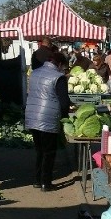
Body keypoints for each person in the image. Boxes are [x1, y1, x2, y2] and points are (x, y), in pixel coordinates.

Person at [24, 52, 71, 192]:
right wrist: (65, 116)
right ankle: (46, 183)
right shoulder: (59, 77)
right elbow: (64, 102)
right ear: (60, 64)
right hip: (48, 116)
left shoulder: (34, 73)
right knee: (49, 152)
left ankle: (37, 180)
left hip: (32, 114)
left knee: (39, 150)